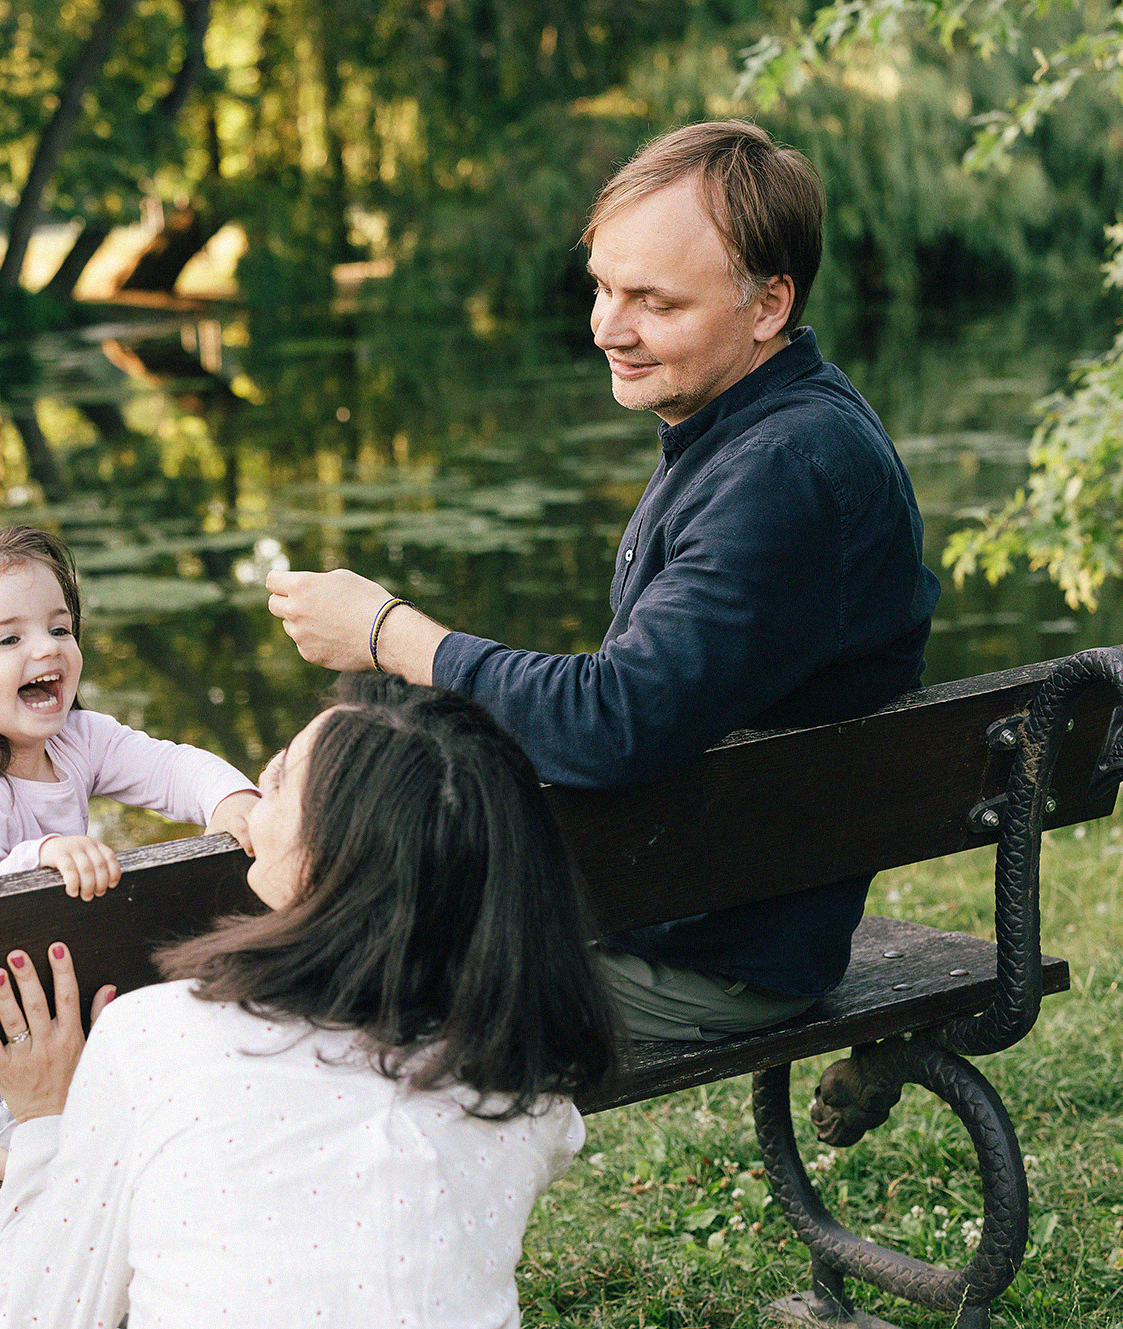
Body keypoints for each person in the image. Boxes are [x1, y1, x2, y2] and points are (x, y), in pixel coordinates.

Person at [266, 120, 942, 1043]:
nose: (606, 328)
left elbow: (611, 717)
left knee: (294, 998)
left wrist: (391, 635)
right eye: (602, 287)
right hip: (699, 895)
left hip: (705, 954)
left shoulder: (784, 471)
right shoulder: (763, 430)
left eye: (654, 303)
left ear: (768, 304)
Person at [0, 673, 619, 1328]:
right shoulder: (521, 1075)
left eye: (275, 780)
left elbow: (36, 1316)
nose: (255, 791)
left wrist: (46, 1117)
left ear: (327, 858)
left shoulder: (159, 1033)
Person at [0, 523, 261, 1179]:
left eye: (59, 628)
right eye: (9, 638)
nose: (47, 649)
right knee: (40, 1157)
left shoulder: (80, 739)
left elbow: (174, 769)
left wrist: (230, 799)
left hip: (16, 998)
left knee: (129, 1114)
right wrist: (42, 852)